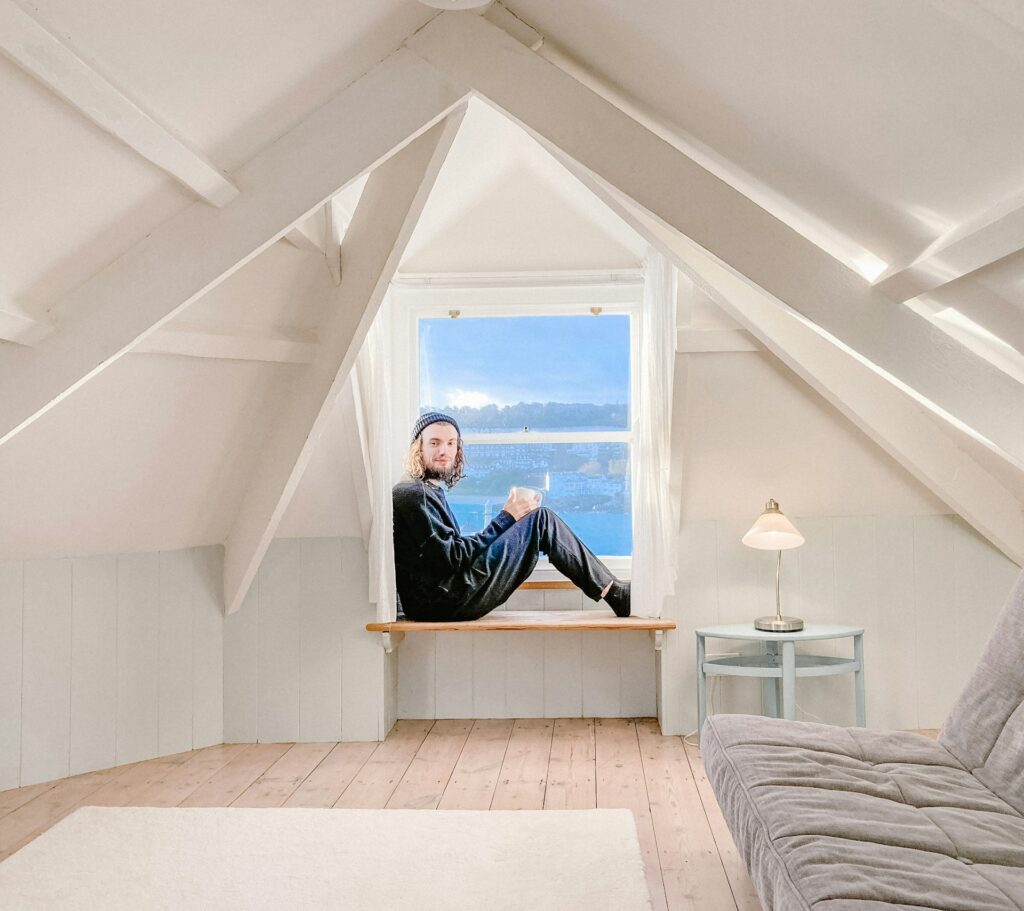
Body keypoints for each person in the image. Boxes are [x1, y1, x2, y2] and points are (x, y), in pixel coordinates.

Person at [392, 411, 631, 622]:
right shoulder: (414, 494)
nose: (444, 451)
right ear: (418, 447)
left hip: (441, 597)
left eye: (451, 443)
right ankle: (615, 593)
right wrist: (507, 517)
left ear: (457, 449)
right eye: (434, 443)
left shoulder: (423, 490)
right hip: (443, 600)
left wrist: (512, 519)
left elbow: (446, 554)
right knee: (541, 521)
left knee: (536, 519)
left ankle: (613, 589)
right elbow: (453, 558)